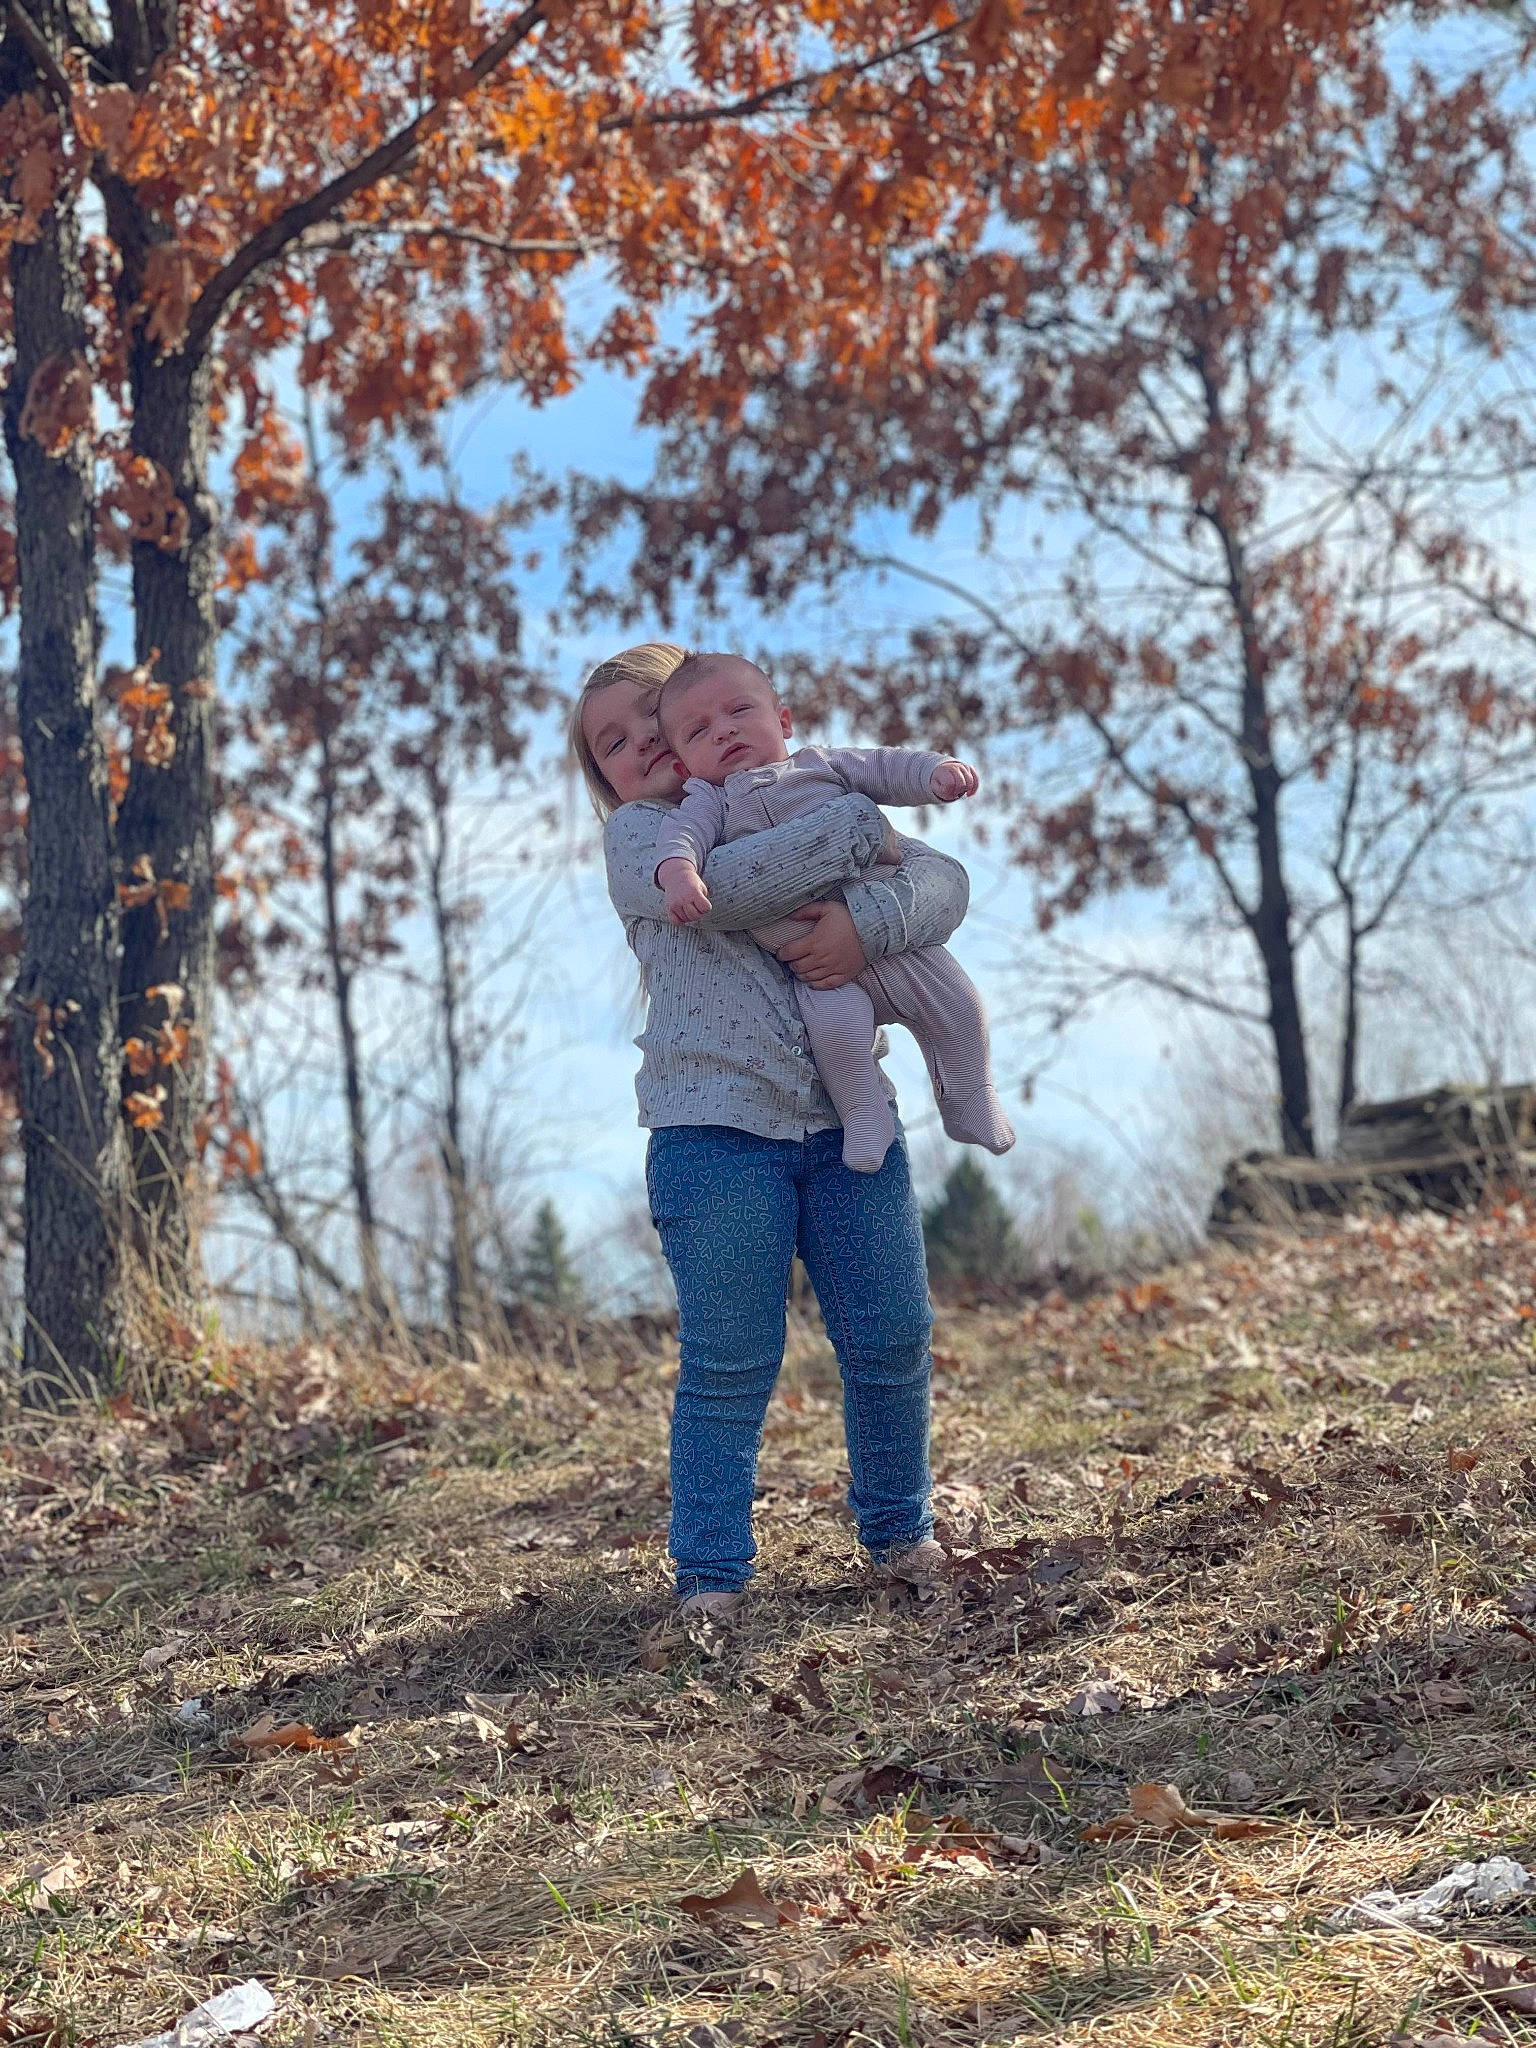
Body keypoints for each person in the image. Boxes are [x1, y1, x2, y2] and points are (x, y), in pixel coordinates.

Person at [571, 643, 977, 1620]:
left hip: (850, 1121)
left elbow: (945, 882)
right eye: (611, 745)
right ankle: (711, 1578)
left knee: (891, 1334)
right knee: (730, 1358)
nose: (639, 751)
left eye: (650, 726)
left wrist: (865, 931)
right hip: (714, 1134)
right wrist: (853, 823)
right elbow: (737, 885)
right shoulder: (642, 840)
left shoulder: (795, 788)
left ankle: (898, 1533)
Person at [651, 650, 1015, 1174]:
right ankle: (864, 1114)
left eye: (738, 712)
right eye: (698, 730)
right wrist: (681, 872)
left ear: (783, 721)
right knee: (837, 1039)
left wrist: (934, 772)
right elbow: (680, 838)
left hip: (899, 943)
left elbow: (884, 766)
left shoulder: (819, 764)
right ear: (684, 764)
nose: (723, 732)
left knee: (958, 1003)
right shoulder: (709, 802)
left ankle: (969, 1097)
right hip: (818, 971)